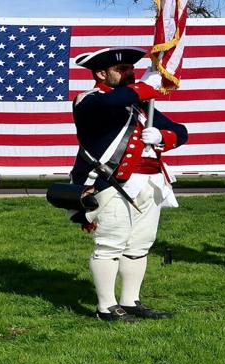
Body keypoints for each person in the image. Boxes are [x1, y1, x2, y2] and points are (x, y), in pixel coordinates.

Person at [67, 47, 188, 322]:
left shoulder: (139, 105)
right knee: (110, 244)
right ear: (101, 73)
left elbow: (181, 132)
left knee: (139, 245)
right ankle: (106, 307)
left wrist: (162, 137)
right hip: (111, 182)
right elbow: (112, 102)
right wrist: (147, 85)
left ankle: (130, 301)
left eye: (131, 69)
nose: (129, 73)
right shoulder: (90, 100)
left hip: (149, 182)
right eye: (121, 70)